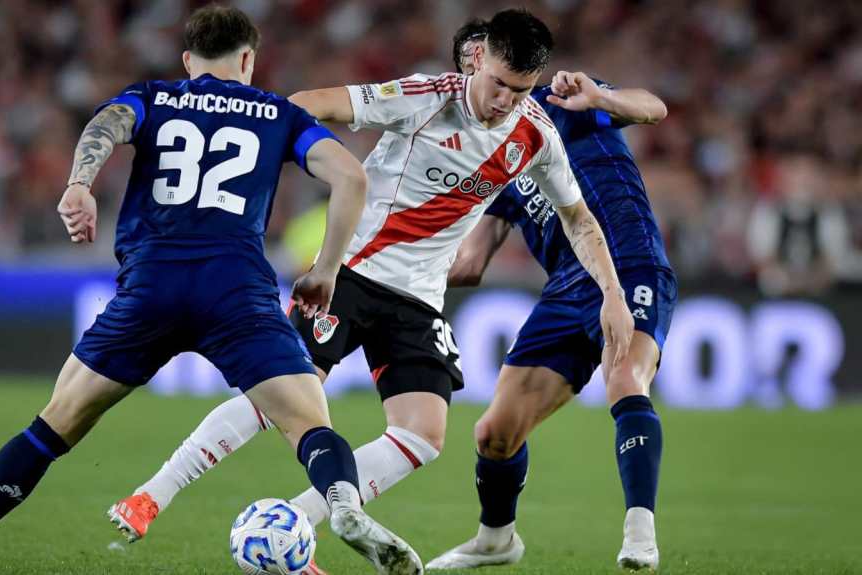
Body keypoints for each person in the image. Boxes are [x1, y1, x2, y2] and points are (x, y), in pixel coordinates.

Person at [0, 6, 423, 575]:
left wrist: (79, 185)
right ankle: (343, 505)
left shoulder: (154, 96)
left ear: (187, 60)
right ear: (248, 58)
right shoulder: (278, 113)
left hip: (151, 287)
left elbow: (105, 125)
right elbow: (352, 177)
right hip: (237, 293)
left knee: (53, 425)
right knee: (310, 426)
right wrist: (325, 270)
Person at [110, 6, 632, 563]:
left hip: (420, 296)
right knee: (276, 399)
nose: (504, 101)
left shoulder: (536, 134)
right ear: (479, 59)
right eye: (499, 84)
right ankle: (150, 496)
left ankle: (297, 521)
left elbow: (578, 218)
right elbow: (316, 104)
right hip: (351, 274)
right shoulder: (424, 96)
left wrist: (614, 294)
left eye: (520, 91)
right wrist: (256, 134)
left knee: (423, 436)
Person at [425, 19, 674, 572]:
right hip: (566, 287)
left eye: (482, 53)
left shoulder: (562, 99)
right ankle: (496, 539)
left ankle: (639, 531)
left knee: (625, 376)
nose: (476, 66)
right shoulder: (489, 157)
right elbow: (468, 264)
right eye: (467, 59)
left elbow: (653, 107)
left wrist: (600, 96)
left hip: (628, 259)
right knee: (493, 434)